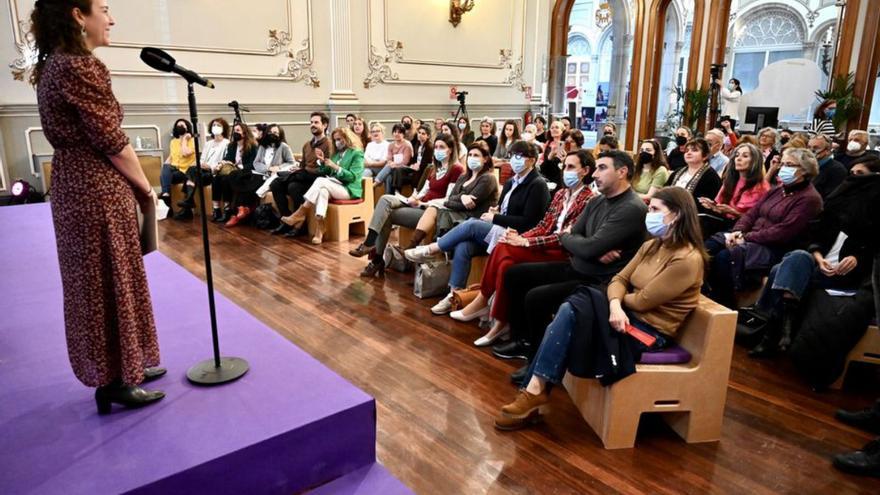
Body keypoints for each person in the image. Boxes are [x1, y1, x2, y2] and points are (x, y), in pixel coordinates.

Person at [31, 0, 165, 412]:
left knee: (95, 283)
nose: (111, 18)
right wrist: (145, 189)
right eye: (104, 9)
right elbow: (112, 140)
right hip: (97, 190)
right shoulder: (81, 66)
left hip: (73, 186)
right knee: (114, 279)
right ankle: (115, 380)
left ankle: (124, 367)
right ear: (78, 14)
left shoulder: (53, 63)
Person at [494, 187, 706, 430]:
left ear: (677, 215)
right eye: (649, 208)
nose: (650, 214)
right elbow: (619, 279)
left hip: (648, 332)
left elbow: (643, 301)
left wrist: (617, 300)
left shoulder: (687, 259)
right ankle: (535, 389)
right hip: (623, 315)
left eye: (656, 209)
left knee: (574, 306)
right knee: (573, 306)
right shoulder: (652, 246)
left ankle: (534, 391)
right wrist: (615, 304)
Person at [492, 151, 648, 373]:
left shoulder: (631, 207)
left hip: (598, 280)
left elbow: (584, 243)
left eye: (602, 168)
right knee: (515, 274)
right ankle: (522, 340)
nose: (595, 174)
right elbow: (574, 236)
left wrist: (583, 243)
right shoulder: (597, 202)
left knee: (537, 298)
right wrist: (585, 244)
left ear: (622, 172)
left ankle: (536, 359)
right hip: (579, 265)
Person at [451, 150, 596, 347]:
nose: (565, 171)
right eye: (564, 166)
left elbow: (565, 238)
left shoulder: (589, 199)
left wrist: (525, 242)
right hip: (546, 244)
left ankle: (484, 300)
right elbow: (543, 226)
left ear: (585, 171)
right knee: (506, 259)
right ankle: (501, 321)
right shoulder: (561, 194)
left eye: (571, 167)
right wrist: (520, 237)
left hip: (563, 253)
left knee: (503, 247)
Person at [749, 157, 880, 357]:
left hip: (848, 274)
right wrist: (819, 257)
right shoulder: (837, 203)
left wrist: (857, 258)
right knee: (798, 257)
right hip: (819, 264)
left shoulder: (870, 219)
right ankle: (785, 330)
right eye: (852, 172)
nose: (852, 178)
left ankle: (773, 334)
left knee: (778, 271)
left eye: (860, 174)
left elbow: (872, 252)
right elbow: (815, 237)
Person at [405, 140, 549, 314]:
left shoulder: (538, 184)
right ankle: (454, 294)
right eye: (511, 156)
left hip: (518, 236)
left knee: (472, 224)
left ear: (532, 160)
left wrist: (495, 216)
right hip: (500, 229)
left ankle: (431, 249)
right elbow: (502, 207)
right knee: (463, 246)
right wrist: (496, 210)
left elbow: (529, 222)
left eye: (519, 156)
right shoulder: (511, 182)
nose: (514, 160)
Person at [704, 148, 823, 309]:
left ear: (804, 170)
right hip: (750, 238)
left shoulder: (809, 199)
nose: (783, 168)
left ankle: (724, 307)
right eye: (783, 163)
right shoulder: (777, 190)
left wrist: (746, 237)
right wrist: (737, 231)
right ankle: (703, 296)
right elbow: (751, 214)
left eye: (789, 164)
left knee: (724, 257)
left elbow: (783, 232)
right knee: (707, 248)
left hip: (775, 248)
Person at [349, 133, 465, 277]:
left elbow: (447, 199)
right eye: (436, 147)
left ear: (451, 150)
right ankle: (370, 244)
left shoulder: (457, 169)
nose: (438, 150)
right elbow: (424, 190)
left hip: (431, 211)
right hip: (419, 203)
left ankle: (376, 257)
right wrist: (413, 198)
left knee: (387, 216)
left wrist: (422, 203)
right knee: (385, 199)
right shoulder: (435, 167)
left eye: (442, 147)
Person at [280, 128, 364, 244]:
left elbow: (353, 177)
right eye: (335, 140)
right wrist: (322, 161)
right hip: (335, 185)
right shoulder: (336, 154)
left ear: (347, 138)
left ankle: (301, 212)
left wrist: (336, 167)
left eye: (339, 139)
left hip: (348, 189)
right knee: (323, 190)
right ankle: (320, 229)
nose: (337, 142)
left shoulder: (356, 153)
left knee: (320, 181)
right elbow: (327, 171)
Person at [269, 112, 331, 236]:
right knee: (276, 184)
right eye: (311, 122)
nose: (312, 125)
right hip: (303, 176)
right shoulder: (307, 145)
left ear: (324, 125)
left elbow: (328, 168)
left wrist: (304, 171)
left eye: (316, 122)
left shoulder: (329, 144)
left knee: (295, 182)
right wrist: (298, 170)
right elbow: (303, 165)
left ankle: (299, 226)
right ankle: (287, 220)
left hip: (318, 178)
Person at [226, 123, 295, 227]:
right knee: (238, 176)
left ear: (280, 134)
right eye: (270, 132)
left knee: (253, 181)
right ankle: (241, 208)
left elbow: (291, 162)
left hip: (273, 176)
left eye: (275, 133)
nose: (273, 134)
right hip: (261, 172)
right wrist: (267, 168)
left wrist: (278, 168)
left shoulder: (283, 147)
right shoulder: (263, 146)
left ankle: (239, 211)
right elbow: (256, 162)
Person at [698, 143, 770, 234]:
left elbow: (758, 220)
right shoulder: (730, 181)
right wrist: (712, 206)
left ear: (755, 161)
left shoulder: (762, 187)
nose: (738, 159)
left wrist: (733, 212)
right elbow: (720, 205)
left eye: (745, 156)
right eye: (737, 155)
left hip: (742, 229)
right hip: (722, 222)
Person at [175, 117, 230, 220]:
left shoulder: (227, 143)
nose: (215, 127)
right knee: (192, 169)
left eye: (218, 125)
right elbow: (202, 158)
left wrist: (210, 166)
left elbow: (226, 161)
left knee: (190, 174)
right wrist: (200, 164)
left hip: (213, 172)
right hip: (201, 171)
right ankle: (188, 202)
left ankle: (188, 204)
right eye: (214, 125)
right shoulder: (209, 143)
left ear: (224, 128)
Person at [665, 138, 722, 215]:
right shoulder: (677, 172)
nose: (689, 153)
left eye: (694, 150)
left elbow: (706, 205)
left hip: (692, 216)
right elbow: (665, 190)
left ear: (705, 156)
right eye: (687, 151)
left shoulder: (711, 176)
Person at [214, 122, 257, 223]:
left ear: (244, 133)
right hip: (233, 171)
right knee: (216, 178)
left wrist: (239, 167)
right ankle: (216, 209)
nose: (235, 132)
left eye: (238, 131)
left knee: (226, 179)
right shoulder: (232, 145)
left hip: (245, 172)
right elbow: (228, 158)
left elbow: (253, 163)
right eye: (235, 130)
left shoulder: (252, 146)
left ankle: (227, 210)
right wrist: (222, 163)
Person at [159, 118, 195, 217]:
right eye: (178, 125)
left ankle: (166, 198)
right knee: (165, 170)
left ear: (187, 128)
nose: (180, 127)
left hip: (186, 172)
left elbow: (185, 153)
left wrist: (185, 139)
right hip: (174, 170)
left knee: (167, 171)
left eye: (183, 125)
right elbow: (171, 157)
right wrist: (164, 169)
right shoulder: (173, 142)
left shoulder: (192, 140)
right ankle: (166, 196)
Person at [377, 123, 414, 194]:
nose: (396, 134)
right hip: (392, 168)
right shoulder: (391, 145)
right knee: (388, 177)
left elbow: (405, 162)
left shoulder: (407, 145)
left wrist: (394, 165)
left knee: (388, 167)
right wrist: (391, 164)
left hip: (403, 169)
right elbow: (389, 159)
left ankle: (377, 182)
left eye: (399, 132)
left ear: (403, 134)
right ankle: (389, 196)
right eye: (395, 132)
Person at [809, 134, 847, 199]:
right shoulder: (807, 166)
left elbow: (831, 197)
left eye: (816, 148)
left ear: (827, 150)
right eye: (809, 147)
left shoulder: (837, 170)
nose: (811, 151)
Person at [539, 120, 567, 187]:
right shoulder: (548, 143)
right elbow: (543, 160)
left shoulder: (563, 143)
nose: (554, 129)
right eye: (552, 128)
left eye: (557, 127)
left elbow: (559, 161)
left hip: (559, 176)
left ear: (562, 131)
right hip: (547, 173)